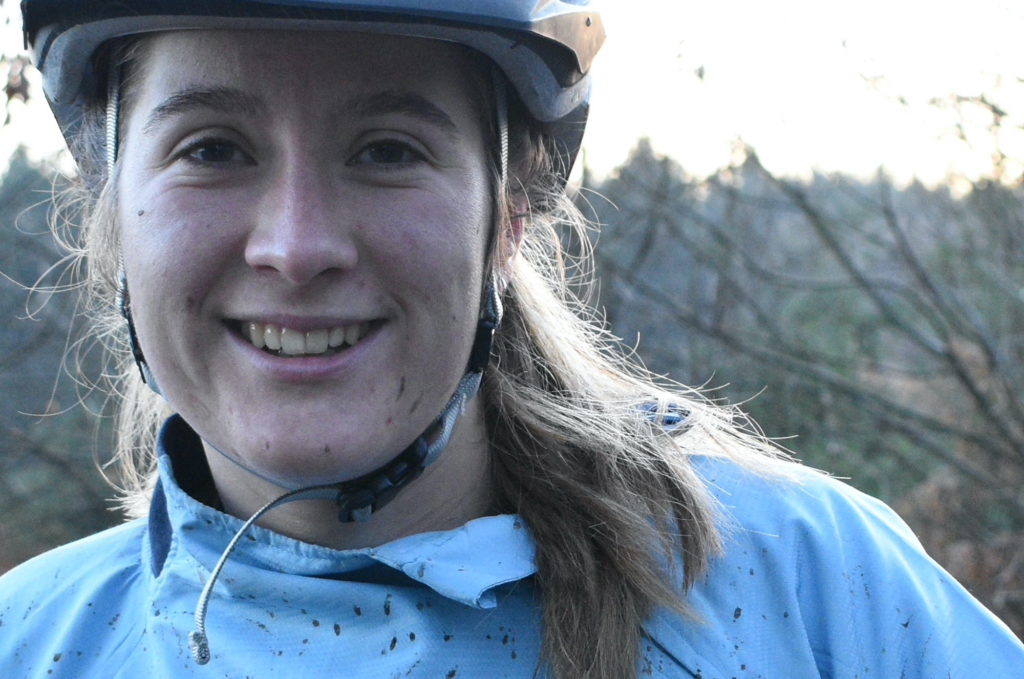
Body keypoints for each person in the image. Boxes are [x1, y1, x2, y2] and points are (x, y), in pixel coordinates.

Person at [2, 2, 1022, 677]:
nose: (297, 246)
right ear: (112, 210)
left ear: (509, 220)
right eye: (212, 149)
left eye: (388, 149)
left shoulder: (814, 590)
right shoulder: (34, 643)